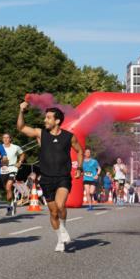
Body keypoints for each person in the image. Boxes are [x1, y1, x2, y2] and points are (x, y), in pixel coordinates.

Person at [18, 101, 84, 252]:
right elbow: (21, 128)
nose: (45, 120)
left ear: (57, 121)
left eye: (48, 118)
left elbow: (80, 151)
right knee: (53, 212)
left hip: (63, 177)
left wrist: (80, 167)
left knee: (61, 206)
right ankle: (60, 239)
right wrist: (21, 111)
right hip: (46, 179)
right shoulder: (41, 134)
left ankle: (64, 228)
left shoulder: (69, 137)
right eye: (45, 118)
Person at [0, 133, 24, 215]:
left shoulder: (15, 147)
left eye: (7, 137)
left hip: (12, 168)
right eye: (4, 137)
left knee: (8, 186)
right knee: (7, 189)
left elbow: (22, 154)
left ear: (10, 139)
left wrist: (19, 162)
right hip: (2, 170)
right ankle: (12, 202)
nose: (5, 139)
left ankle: (10, 206)